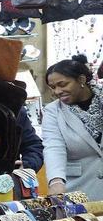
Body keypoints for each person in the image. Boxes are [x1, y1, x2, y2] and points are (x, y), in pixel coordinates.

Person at [40, 54, 103, 200]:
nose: (57, 91)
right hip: (80, 190)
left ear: (81, 80)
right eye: (53, 87)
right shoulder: (53, 111)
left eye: (62, 85)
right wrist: (56, 181)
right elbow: (54, 147)